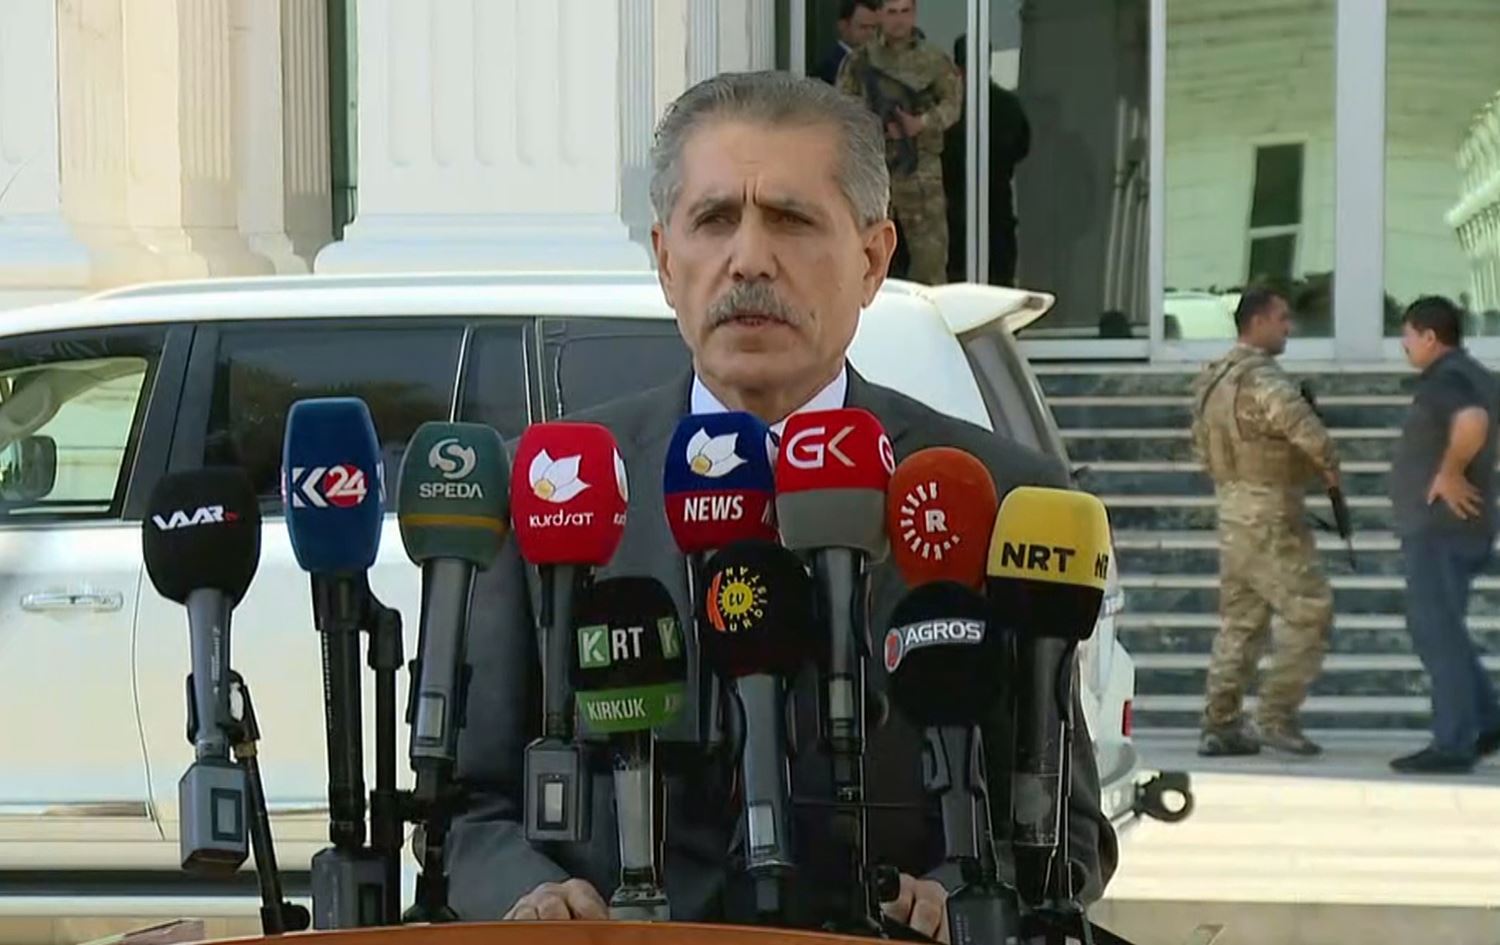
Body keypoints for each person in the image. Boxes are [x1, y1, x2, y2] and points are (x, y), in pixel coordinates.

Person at [446, 72, 1116, 940]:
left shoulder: (997, 495)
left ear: (873, 259)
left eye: (792, 220)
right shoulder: (546, 485)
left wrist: (967, 898)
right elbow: (472, 812)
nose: (750, 258)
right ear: (665, 260)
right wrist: (531, 895)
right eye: (715, 219)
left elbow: (1065, 830)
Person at [1189, 287, 1338, 758]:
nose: (1288, 327)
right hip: (1271, 513)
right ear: (1257, 322)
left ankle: (1220, 722)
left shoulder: (1213, 377)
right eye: (1281, 318)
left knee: (1241, 622)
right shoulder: (1264, 380)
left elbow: (1200, 446)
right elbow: (1310, 435)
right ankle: (1275, 715)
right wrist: (1328, 468)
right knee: (1310, 610)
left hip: (1233, 510)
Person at [1389, 296, 1500, 774]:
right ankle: (1488, 721)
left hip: (1441, 528)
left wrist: (1451, 472)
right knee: (1444, 628)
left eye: (1408, 335)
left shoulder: (1447, 378)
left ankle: (1454, 743)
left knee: (1435, 631)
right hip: (1459, 527)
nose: (1404, 345)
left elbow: (1473, 420)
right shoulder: (1475, 374)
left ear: (1430, 337)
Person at [836, 0, 961, 286]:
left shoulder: (934, 60)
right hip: (875, 171)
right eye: (892, 12)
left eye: (905, 11)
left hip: (922, 173)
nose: (899, 20)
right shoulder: (860, 61)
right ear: (880, 14)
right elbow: (843, 109)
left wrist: (921, 123)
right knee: (868, 258)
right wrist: (878, 125)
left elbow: (952, 104)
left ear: (914, 14)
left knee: (930, 260)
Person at [941, 34, 1030, 285]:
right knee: (999, 284)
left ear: (957, 67)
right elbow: (1022, 148)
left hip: (959, 204)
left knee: (959, 284)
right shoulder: (1008, 104)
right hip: (992, 204)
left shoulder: (947, 108)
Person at [812, 0, 882, 86]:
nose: (871, 34)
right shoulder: (831, 67)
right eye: (863, 27)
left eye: (874, 27)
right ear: (843, 26)